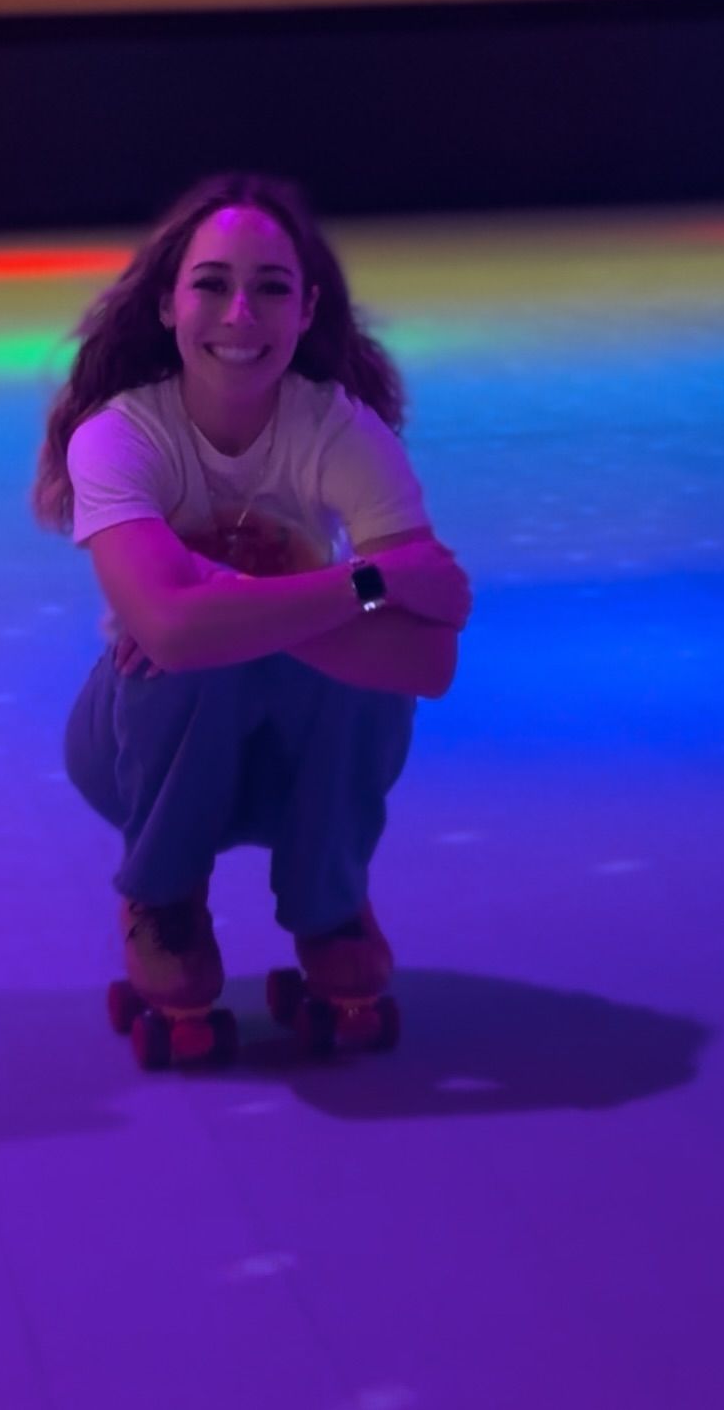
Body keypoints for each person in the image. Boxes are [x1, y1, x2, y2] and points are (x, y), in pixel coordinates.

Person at [34, 173, 472, 1057]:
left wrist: (225, 605)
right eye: (212, 284)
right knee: (181, 662)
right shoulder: (120, 436)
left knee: (355, 674)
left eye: (271, 288)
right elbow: (167, 630)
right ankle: (162, 901)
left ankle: (330, 903)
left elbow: (429, 667)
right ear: (168, 303)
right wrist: (365, 586)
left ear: (307, 312)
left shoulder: (340, 432)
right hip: (137, 751)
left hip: (292, 762)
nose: (241, 314)